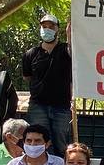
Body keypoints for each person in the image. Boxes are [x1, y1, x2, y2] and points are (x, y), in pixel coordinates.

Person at [21, 12, 74, 153]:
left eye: (51, 26)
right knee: (39, 143)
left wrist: (70, 33)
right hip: (38, 106)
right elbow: (27, 77)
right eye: (44, 26)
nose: (47, 29)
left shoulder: (65, 50)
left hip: (62, 107)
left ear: (58, 29)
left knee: (61, 144)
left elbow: (74, 51)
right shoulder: (30, 54)